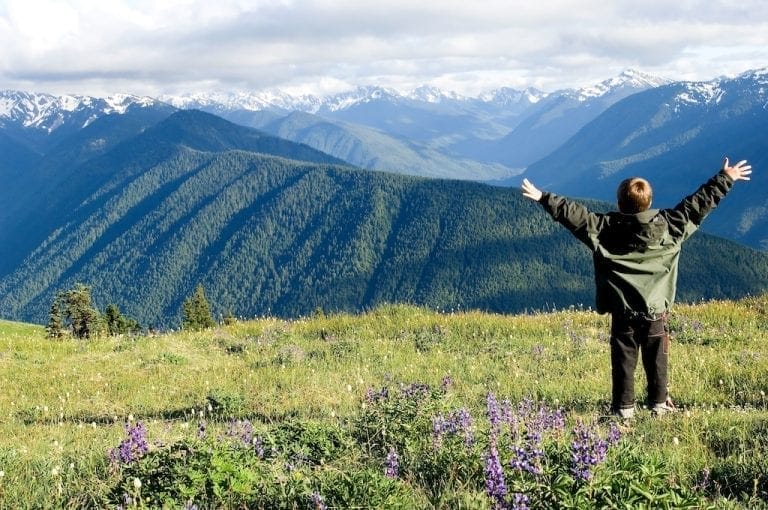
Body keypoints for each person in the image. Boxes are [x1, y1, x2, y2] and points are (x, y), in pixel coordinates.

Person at [521, 158, 753, 418]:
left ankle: (624, 409)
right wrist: (726, 177)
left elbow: (575, 215)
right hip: (656, 312)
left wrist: (543, 197)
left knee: (623, 363)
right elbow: (698, 204)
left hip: (623, 314)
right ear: (650, 202)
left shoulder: (604, 230)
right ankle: (659, 403)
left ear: (619, 203)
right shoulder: (672, 226)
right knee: (657, 361)